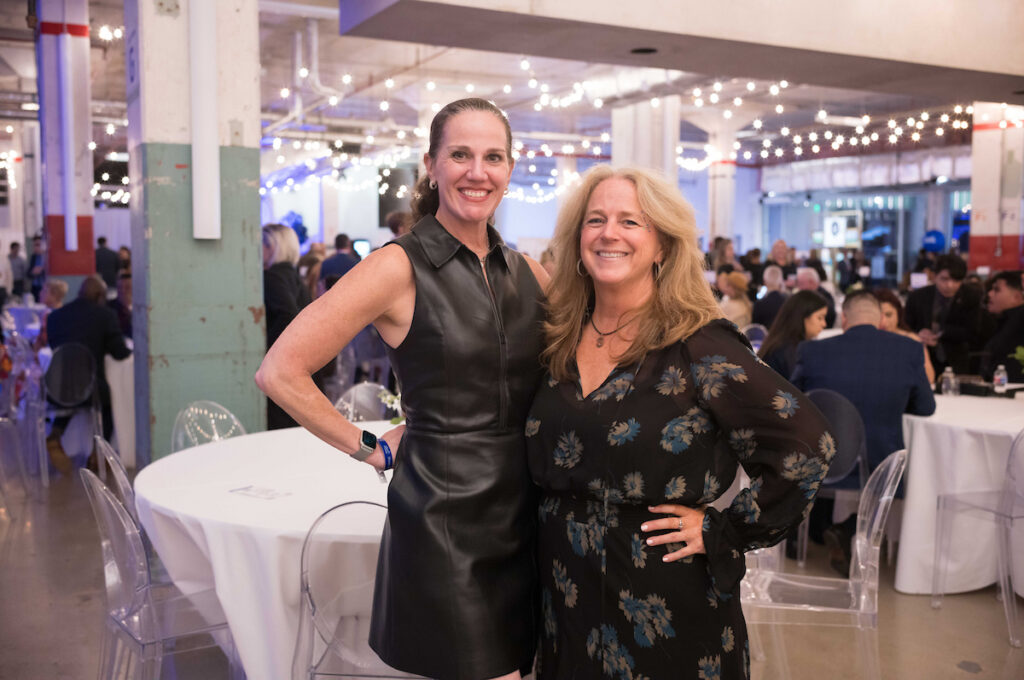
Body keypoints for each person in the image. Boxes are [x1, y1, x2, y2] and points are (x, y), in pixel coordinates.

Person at [256, 98, 549, 680]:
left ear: (510, 170)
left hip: (526, 515)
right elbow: (280, 370)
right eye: (460, 154)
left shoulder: (528, 271)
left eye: (493, 157)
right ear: (431, 165)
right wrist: (365, 444)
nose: (478, 171)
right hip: (446, 522)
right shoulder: (398, 266)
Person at [527, 165, 831, 680]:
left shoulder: (699, 344)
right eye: (596, 219)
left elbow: (807, 444)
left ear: (663, 246)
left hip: (663, 601)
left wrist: (728, 528)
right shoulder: (558, 336)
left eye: (631, 222)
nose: (609, 233)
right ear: (577, 239)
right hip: (565, 597)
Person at [790, 290, 935, 573]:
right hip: (881, 465)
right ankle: (853, 531)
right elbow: (926, 407)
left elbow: (794, 403)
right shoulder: (908, 350)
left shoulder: (812, 350)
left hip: (823, 462)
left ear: (844, 318)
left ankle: (839, 530)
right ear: (881, 319)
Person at [46, 275, 131, 474]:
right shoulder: (105, 315)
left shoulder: (55, 317)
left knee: (68, 395)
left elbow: (55, 349)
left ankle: (55, 435)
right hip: (90, 388)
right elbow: (120, 353)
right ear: (101, 296)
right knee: (108, 405)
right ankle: (98, 454)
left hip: (55, 386)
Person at [261, 223, 315, 430]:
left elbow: (288, 314)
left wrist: (270, 350)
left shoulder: (273, 276)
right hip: (303, 361)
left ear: (272, 247)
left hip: (285, 364)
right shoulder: (293, 276)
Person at [904, 253, 993, 374]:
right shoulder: (918, 296)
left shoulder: (971, 296)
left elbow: (974, 330)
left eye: (956, 280)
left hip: (957, 359)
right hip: (923, 358)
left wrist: (941, 333)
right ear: (935, 276)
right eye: (944, 279)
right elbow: (906, 325)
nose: (950, 285)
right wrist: (919, 334)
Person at [757, 290, 829, 380]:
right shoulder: (788, 351)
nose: (824, 324)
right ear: (802, 316)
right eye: (820, 318)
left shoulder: (784, 344)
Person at [873, 288, 936, 385]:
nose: (883, 322)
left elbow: (929, 377)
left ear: (898, 313)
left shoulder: (911, 340)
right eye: (878, 316)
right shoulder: (866, 340)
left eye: (889, 315)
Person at [979, 271, 1024, 383]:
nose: (990, 294)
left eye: (997, 290)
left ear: (1017, 296)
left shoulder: (1019, 321)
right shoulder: (997, 321)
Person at [752, 264, 787, 328]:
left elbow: (756, 329)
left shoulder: (759, 305)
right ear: (781, 281)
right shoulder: (788, 303)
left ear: (764, 282)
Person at [28, 236, 46, 301]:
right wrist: (33, 272)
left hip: (45, 286)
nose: (35, 247)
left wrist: (42, 270)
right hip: (35, 286)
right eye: (34, 245)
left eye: (38, 245)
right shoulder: (34, 257)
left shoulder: (48, 257)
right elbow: (28, 273)